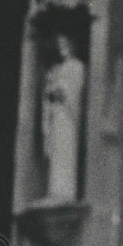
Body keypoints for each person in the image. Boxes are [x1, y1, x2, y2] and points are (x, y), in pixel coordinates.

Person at [41, 33, 85, 200]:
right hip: (57, 116)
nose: (62, 49)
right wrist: (50, 89)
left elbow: (76, 90)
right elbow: (49, 91)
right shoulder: (58, 69)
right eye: (60, 46)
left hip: (69, 116)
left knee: (67, 150)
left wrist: (62, 90)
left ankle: (66, 192)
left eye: (65, 45)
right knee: (56, 151)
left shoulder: (78, 66)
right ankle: (55, 191)